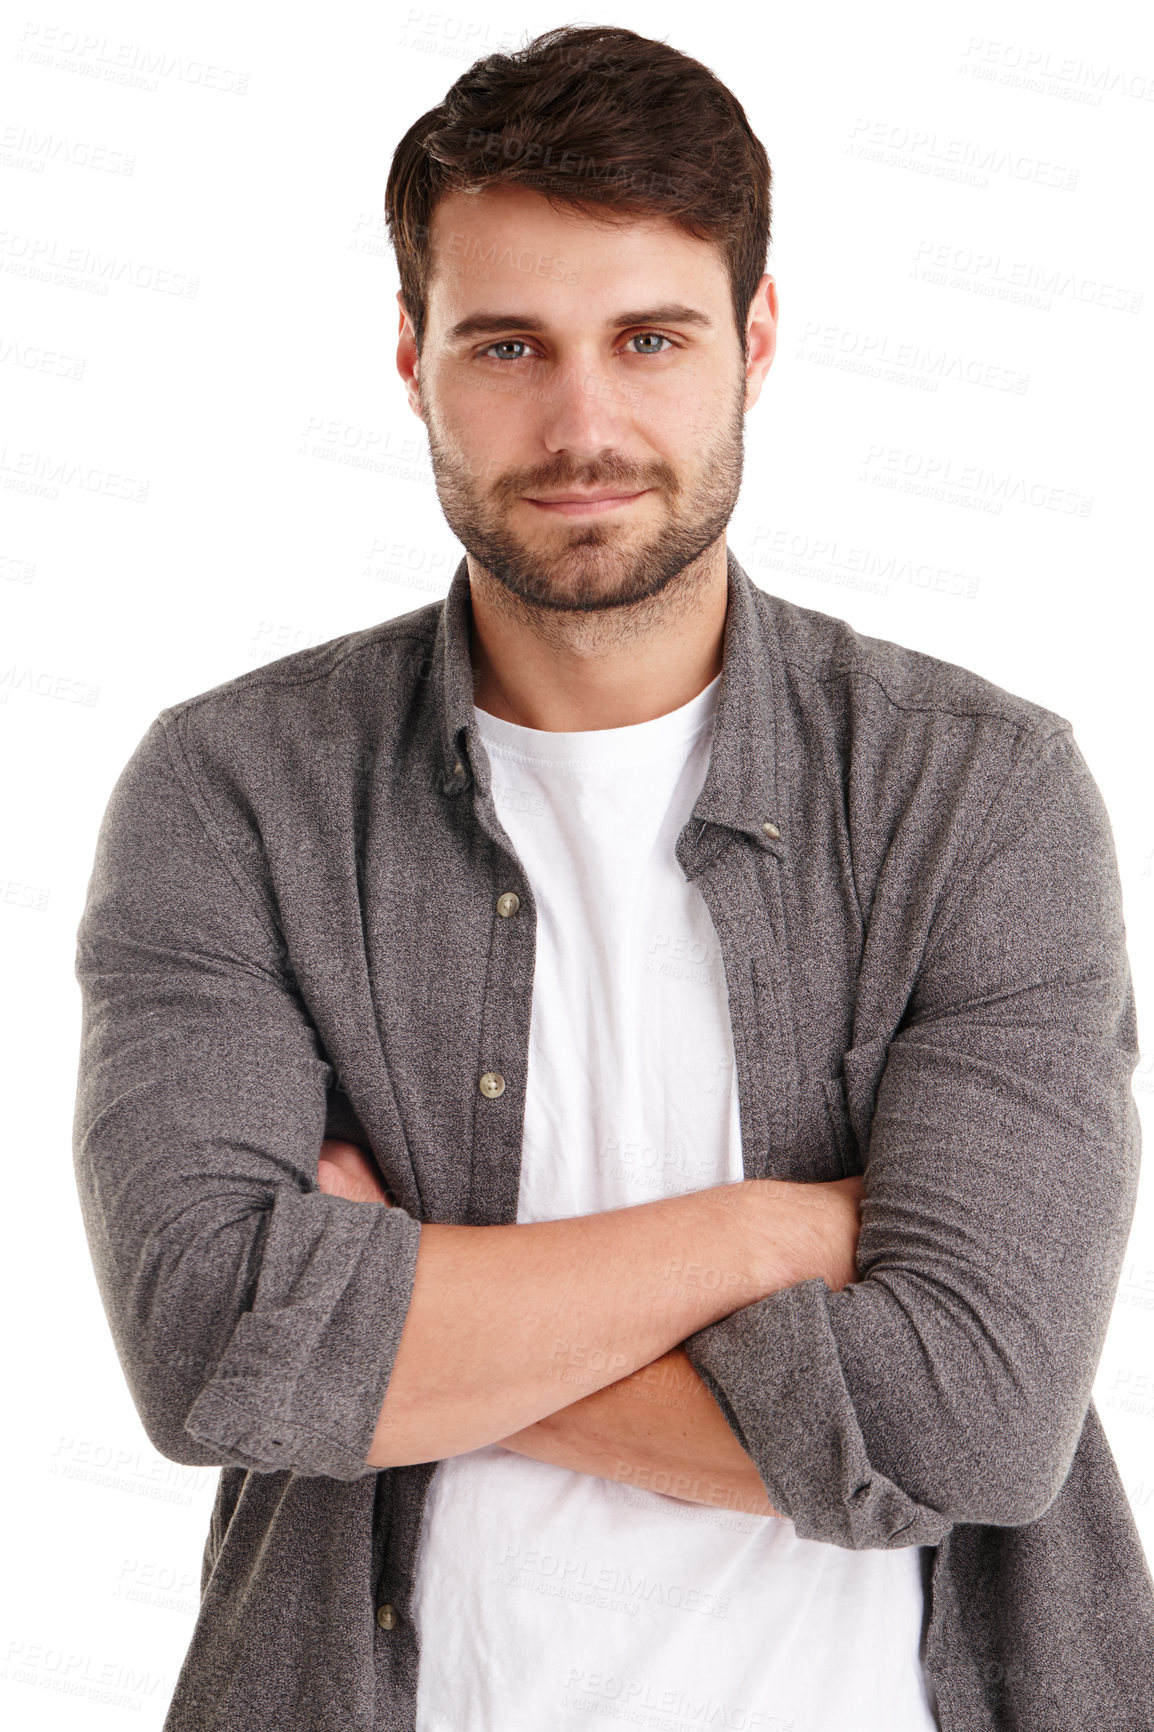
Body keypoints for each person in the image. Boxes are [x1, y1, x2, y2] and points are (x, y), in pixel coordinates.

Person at [70, 23, 1154, 1732]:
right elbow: (211, 1348)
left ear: (756, 341)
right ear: (412, 357)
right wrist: (767, 1235)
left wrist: (384, 1328)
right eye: (509, 345)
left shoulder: (980, 791)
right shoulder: (235, 795)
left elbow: (971, 1424)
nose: (584, 423)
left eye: (649, 338)